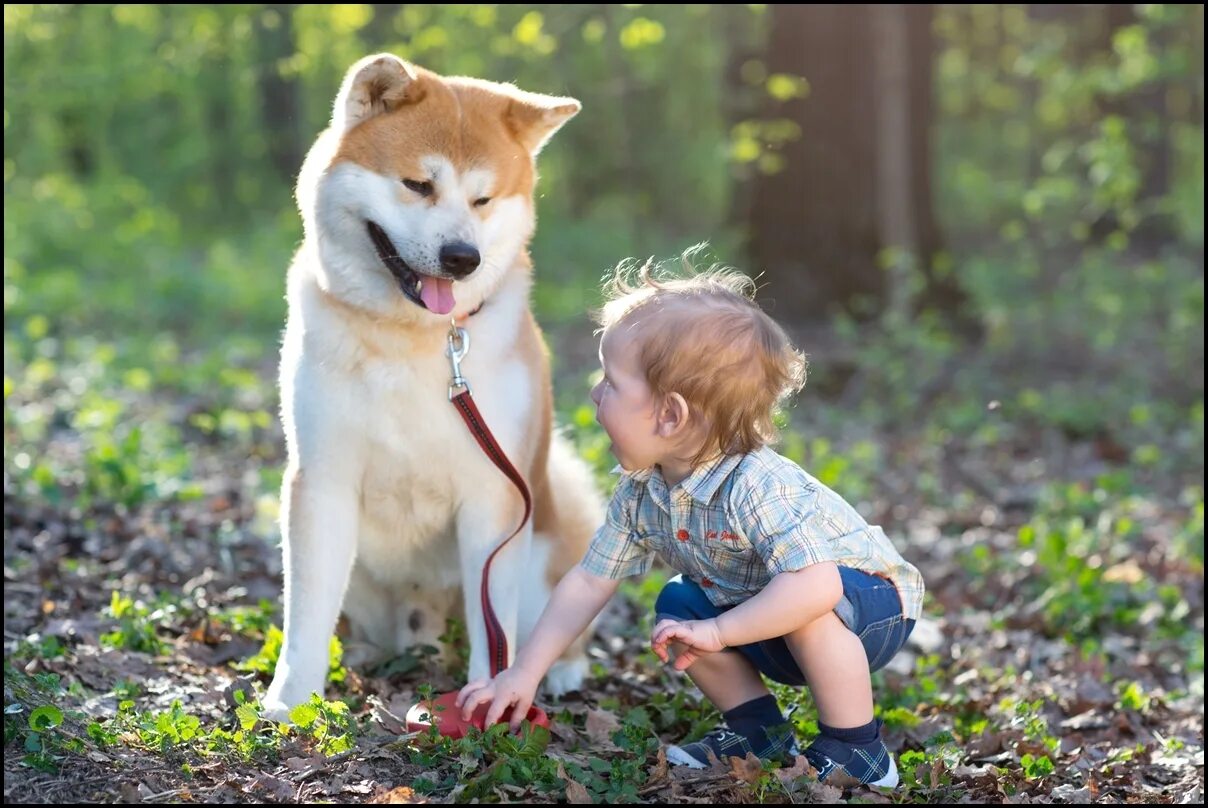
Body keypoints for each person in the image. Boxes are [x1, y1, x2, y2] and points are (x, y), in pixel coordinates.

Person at [456, 252, 924, 787]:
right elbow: (588, 580)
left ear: (671, 414)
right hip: (765, 610)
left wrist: (722, 631)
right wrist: (523, 674)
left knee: (812, 608)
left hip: (868, 606)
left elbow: (816, 584)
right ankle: (759, 735)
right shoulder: (642, 490)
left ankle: (855, 748)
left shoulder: (756, 485)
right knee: (679, 606)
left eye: (610, 381)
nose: (595, 393)